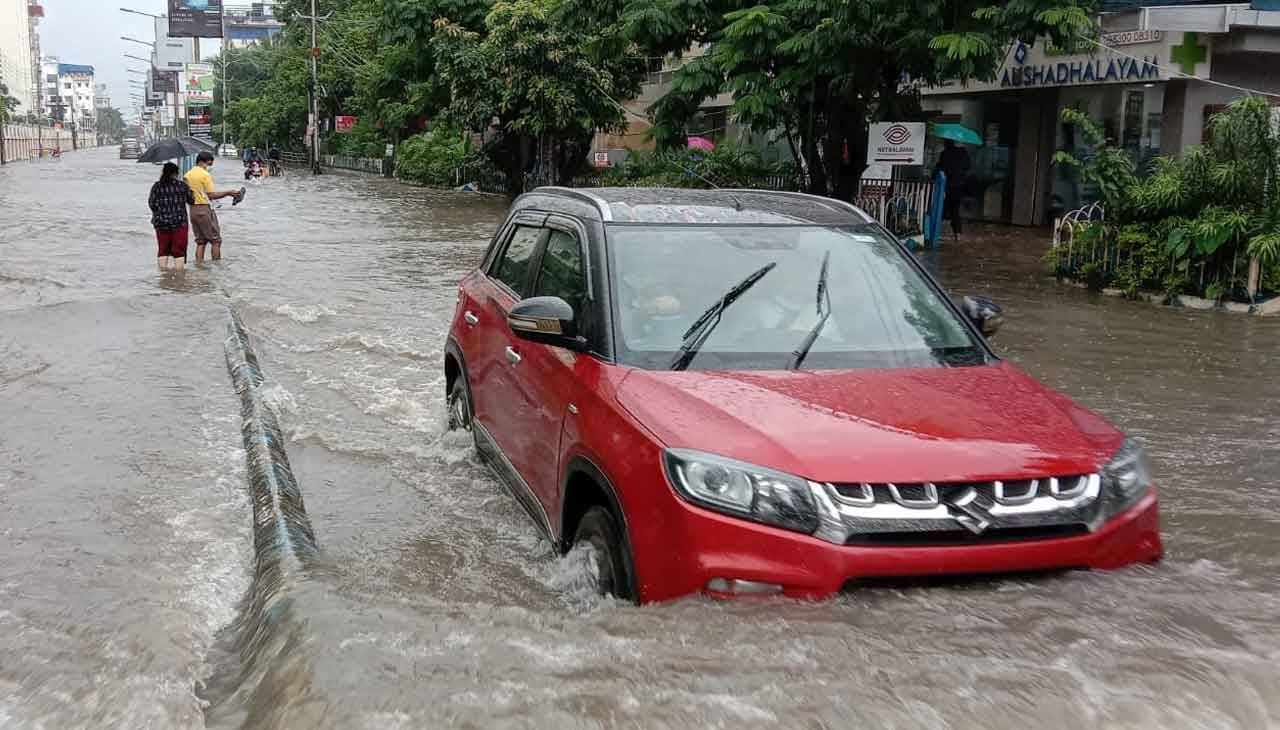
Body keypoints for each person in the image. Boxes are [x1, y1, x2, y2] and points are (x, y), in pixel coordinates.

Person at [184, 151, 242, 263]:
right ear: (202, 162)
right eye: (209, 164)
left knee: (200, 241)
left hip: (192, 211)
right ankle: (217, 268)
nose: (208, 167)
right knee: (216, 241)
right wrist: (229, 192)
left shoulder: (187, 175)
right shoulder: (205, 175)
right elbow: (211, 195)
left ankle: (199, 266)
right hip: (204, 210)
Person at [149, 162, 194, 273]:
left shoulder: (156, 186)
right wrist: (190, 189)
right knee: (178, 250)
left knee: (163, 249)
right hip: (179, 222)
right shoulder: (181, 185)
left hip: (161, 223)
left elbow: (152, 204)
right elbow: (191, 201)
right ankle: (179, 277)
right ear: (176, 173)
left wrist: (160, 214)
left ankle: (163, 276)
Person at [934, 139, 971, 240]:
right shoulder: (963, 152)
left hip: (946, 186)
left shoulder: (944, 154)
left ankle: (934, 233)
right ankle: (957, 234)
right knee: (955, 210)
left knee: (941, 209)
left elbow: (939, 168)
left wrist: (932, 178)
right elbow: (968, 167)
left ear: (946, 144)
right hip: (959, 186)